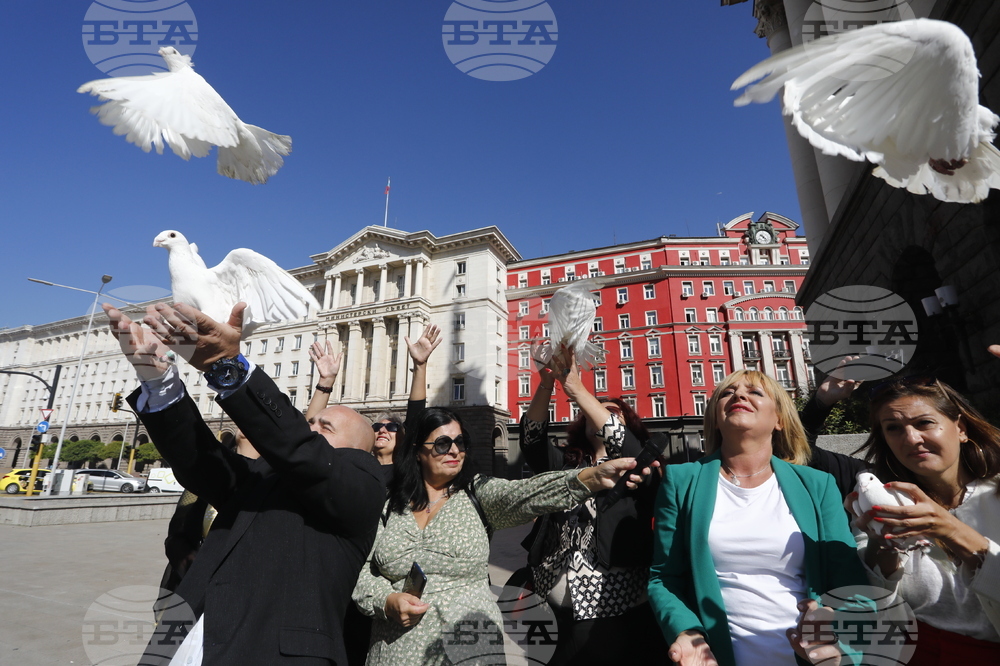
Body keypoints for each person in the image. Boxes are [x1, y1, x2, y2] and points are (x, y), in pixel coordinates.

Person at [104, 301, 386, 666]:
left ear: (358, 452)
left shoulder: (363, 484)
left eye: (324, 428)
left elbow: (304, 453)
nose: (310, 427)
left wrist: (227, 366)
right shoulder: (261, 477)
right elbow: (201, 462)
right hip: (179, 645)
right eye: (310, 423)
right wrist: (159, 381)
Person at [352, 406, 655, 666]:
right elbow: (361, 570)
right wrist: (385, 600)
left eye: (461, 442)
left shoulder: (477, 492)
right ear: (418, 451)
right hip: (394, 649)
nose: (455, 450)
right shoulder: (389, 502)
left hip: (468, 646)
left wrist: (589, 478)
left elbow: (525, 493)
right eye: (443, 444)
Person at [648, 369, 868, 666]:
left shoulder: (817, 484)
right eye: (727, 392)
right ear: (714, 417)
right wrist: (687, 632)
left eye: (755, 392)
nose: (738, 395)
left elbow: (849, 582)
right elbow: (664, 577)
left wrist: (835, 626)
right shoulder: (681, 480)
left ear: (779, 420)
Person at [518, 348, 666, 665]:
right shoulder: (566, 463)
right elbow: (531, 440)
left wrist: (578, 390)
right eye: (594, 411)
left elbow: (626, 446)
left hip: (614, 609)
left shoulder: (641, 464)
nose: (600, 414)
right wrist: (546, 383)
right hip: (548, 603)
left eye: (612, 413)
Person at [846, 374, 1000, 664]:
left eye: (924, 423)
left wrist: (950, 528)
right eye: (893, 428)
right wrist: (883, 546)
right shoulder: (884, 505)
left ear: (961, 428)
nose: (912, 439)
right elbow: (875, 608)